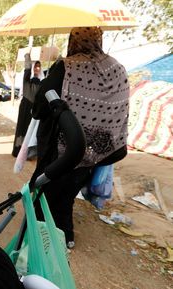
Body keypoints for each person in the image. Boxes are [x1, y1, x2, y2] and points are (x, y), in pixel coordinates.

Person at [30, 27, 130, 248]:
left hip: (64, 148)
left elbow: (39, 108)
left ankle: (42, 240)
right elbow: (119, 108)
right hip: (97, 150)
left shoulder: (67, 66)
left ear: (73, 40)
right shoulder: (118, 69)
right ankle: (66, 234)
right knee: (68, 192)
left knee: (46, 192)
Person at [12, 54, 44, 158]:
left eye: (39, 67)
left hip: (34, 108)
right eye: (35, 66)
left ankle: (27, 153)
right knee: (22, 127)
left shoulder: (42, 83)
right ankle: (18, 150)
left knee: (30, 130)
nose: (37, 68)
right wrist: (27, 58)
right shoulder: (27, 81)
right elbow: (27, 70)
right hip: (25, 107)